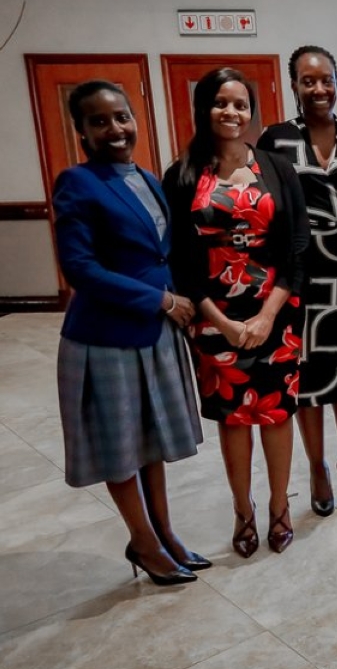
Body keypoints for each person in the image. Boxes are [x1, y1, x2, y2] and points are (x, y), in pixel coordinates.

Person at [52, 80, 207, 586]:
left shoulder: (147, 177)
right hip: (106, 338)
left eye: (121, 116)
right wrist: (161, 300)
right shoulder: (77, 183)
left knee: (151, 443)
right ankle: (142, 542)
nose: (115, 128)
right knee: (122, 449)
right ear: (81, 132)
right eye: (99, 121)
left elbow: (161, 253)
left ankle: (164, 533)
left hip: (154, 334)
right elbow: (80, 268)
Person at [164, 68, 309, 557]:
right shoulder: (182, 175)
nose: (232, 112)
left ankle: (278, 507)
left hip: (277, 314)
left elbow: (296, 248)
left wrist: (267, 315)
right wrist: (221, 322)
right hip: (214, 317)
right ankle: (243, 510)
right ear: (204, 109)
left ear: (252, 111)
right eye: (221, 103)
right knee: (234, 418)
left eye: (241, 104)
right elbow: (181, 262)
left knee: (276, 413)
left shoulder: (277, 168)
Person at [258, 46, 337, 517]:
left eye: (326, 79)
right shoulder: (274, 141)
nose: (319, 88)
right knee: (306, 381)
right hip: (302, 281)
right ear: (293, 86)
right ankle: (318, 468)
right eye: (308, 81)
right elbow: (269, 212)